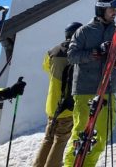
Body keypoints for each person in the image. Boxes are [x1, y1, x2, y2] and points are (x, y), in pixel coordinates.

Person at [63, 0, 116, 167]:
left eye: (115, 9)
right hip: (85, 89)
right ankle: (71, 165)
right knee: (81, 133)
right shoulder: (84, 31)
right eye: (111, 9)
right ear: (101, 10)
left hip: (108, 88)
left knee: (103, 134)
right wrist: (95, 52)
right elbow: (72, 56)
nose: (115, 12)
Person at [33, 21, 82, 167]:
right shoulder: (76, 53)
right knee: (60, 139)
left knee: (48, 139)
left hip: (52, 104)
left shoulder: (52, 52)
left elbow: (46, 67)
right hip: (67, 105)